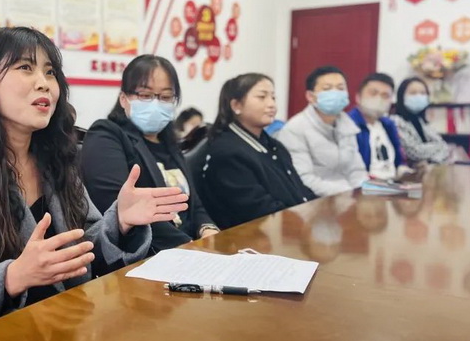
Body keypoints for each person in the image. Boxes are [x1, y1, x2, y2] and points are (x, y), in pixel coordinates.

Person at [0, 27, 188, 341]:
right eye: (25, 67)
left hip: (56, 333)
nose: (44, 83)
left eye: (50, 72)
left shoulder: (54, 162)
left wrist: (120, 222)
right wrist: (11, 277)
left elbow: (81, 251)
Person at [81, 55, 218, 266]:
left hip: (191, 252)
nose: (156, 103)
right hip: (148, 256)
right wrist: (187, 246)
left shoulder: (169, 142)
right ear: (124, 99)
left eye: (165, 97)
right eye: (145, 95)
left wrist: (207, 229)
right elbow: (120, 207)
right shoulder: (106, 135)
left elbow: (192, 202)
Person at [194, 73, 314, 229]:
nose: (271, 104)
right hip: (256, 235)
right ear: (236, 106)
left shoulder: (275, 146)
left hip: (290, 227)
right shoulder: (227, 153)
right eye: (262, 97)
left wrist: (318, 210)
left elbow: (300, 190)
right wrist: (305, 220)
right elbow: (258, 211)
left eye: (273, 97)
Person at [275, 66, 368, 196]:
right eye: (327, 89)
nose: (335, 93)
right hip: (315, 200)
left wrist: (364, 193)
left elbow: (356, 171)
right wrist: (348, 193)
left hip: (350, 197)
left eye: (340, 88)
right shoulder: (295, 129)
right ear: (310, 96)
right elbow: (304, 179)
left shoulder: (348, 124)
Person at [346, 72, 406, 180]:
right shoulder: (348, 125)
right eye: (373, 93)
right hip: (363, 186)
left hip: (392, 183)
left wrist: (403, 170)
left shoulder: (389, 125)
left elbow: (399, 161)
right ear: (358, 97)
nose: (379, 99)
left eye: (385, 96)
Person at [391, 77, 451, 164]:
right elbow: (414, 152)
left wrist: (435, 153)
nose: (418, 96)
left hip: (430, 168)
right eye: (413, 93)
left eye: (423, 93)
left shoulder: (421, 121)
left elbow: (443, 145)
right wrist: (438, 148)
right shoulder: (396, 121)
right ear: (401, 96)